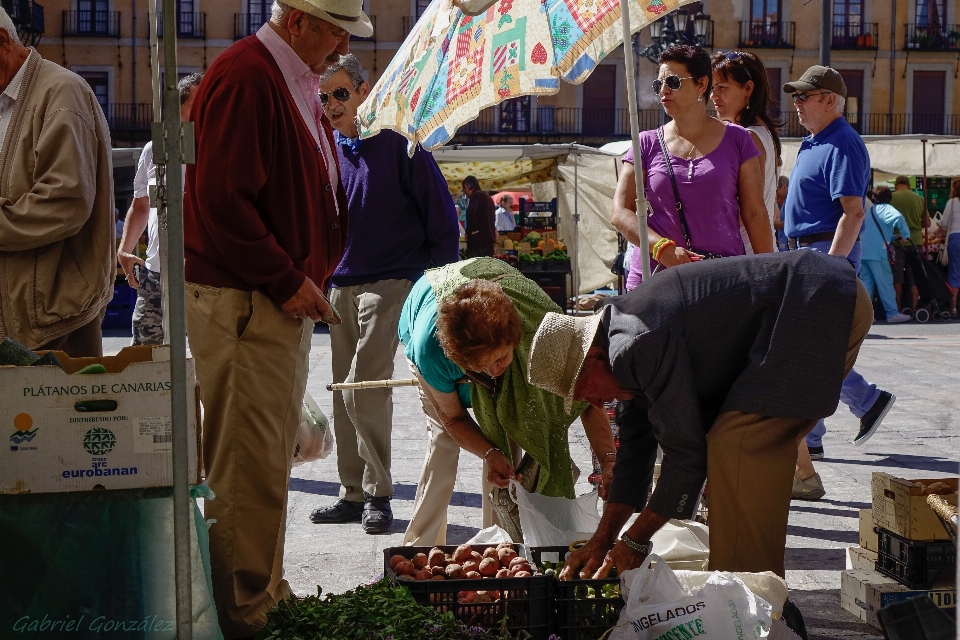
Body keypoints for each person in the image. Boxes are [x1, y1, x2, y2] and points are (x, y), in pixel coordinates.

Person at [525, 250, 874, 638]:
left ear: (591, 357)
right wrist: (603, 539)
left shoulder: (635, 343)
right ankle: (747, 600)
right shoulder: (620, 348)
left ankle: (757, 606)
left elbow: (686, 458)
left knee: (737, 446)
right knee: (732, 446)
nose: (591, 402)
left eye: (582, 391)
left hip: (820, 300)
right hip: (815, 301)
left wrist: (636, 541)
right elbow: (635, 455)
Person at [182, 0, 370, 636]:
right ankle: (247, 611)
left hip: (267, 300)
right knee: (245, 464)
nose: (343, 42)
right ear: (297, 21)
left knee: (262, 463)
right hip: (249, 301)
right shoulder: (247, 75)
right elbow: (220, 198)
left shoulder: (283, 74)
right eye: (335, 28)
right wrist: (285, 277)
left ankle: (263, 595)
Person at [310, 54, 460, 534]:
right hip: (340, 283)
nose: (332, 104)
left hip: (395, 281)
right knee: (341, 391)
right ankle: (351, 493)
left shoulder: (400, 142)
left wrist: (436, 287)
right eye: (324, 96)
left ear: (363, 91)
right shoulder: (329, 149)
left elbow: (441, 217)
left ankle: (378, 492)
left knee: (364, 386)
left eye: (340, 93)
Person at [399, 258, 617, 546]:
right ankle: (422, 546)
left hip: (498, 316)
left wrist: (609, 459)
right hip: (426, 315)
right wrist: (488, 453)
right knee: (444, 443)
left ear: (516, 338)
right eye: (481, 366)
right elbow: (452, 418)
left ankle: (502, 545)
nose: (493, 372)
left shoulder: (542, 327)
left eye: (500, 359)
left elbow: (587, 398)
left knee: (511, 437)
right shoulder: (433, 352)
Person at [781, 66, 895, 492]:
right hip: (806, 253)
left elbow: (853, 211)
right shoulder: (815, 142)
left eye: (805, 96)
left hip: (821, 254)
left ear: (829, 99)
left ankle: (863, 402)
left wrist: (828, 265)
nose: (797, 103)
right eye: (796, 96)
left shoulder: (843, 141)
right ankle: (816, 435)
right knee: (808, 352)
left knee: (806, 352)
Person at [611, 45, 772, 292]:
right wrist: (660, 248)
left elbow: (755, 214)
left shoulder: (738, 139)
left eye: (673, 82)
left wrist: (770, 275)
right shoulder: (645, 143)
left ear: (701, 84)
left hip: (721, 283)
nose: (664, 90)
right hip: (654, 283)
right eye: (659, 84)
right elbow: (620, 211)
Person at [0, 9, 114, 358]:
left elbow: (66, 202)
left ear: (2, 42)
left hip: (51, 317)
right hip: (20, 314)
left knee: (56, 411)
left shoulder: (62, 92)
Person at [118, 73, 203, 346]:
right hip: (156, 275)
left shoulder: (219, 151)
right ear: (176, 109)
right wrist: (124, 250)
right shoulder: (154, 150)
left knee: (207, 366)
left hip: (204, 278)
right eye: (198, 103)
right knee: (146, 359)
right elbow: (142, 204)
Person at [710, 50, 782, 254]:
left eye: (722, 87)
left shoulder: (747, 137)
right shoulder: (763, 133)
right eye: (713, 87)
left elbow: (747, 210)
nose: (714, 95)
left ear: (748, 88)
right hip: (755, 252)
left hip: (746, 255)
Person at [861, 186, 911, 324]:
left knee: (866, 284)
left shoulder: (870, 211)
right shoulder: (887, 209)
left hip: (864, 251)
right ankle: (892, 313)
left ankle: (865, 316)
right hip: (878, 253)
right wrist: (905, 235)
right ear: (889, 198)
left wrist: (893, 237)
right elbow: (898, 217)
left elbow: (874, 231)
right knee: (885, 283)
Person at [890, 175, 929, 313]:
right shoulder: (919, 198)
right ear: (908, 185)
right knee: (915, 276)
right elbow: (927, 223)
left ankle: (898, 308)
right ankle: (914, 307)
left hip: (896, 241)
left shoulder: (891, 198)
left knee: (897, 276)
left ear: (896, 185)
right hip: (915, 240)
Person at [935, 177, 960, 316]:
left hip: (955, 238)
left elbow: (944, 224)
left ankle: (954, 307)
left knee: (955, 272)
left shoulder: (952, 202)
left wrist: (937, 229)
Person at [462, 175, 496, 257]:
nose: (464, 192)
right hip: (489, 241)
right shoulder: (488, 198)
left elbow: (471, 214)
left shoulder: (475, 196)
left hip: (477, 241)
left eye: (464, 189)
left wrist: (469, 231)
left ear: (467, 186)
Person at [775, 175, 790, 251]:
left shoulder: (790, 201)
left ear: (784, 187)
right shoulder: (775, 203)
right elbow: (774, 223)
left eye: (776, 189)